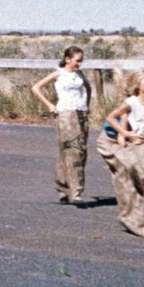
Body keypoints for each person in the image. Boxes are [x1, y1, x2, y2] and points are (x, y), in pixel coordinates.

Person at [96, 69, 144, 239]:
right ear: (138, 85)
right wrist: (126, 134)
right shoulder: (131, 103)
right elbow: (111, 118)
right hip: (139, 147)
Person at [31, 46, 91, 203]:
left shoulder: (79, 74)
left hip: (81, 113)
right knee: (72, 149)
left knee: (79, 150)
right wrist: (50, 106)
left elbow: (88, 88)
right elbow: (36, 88)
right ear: (67, 59)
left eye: (81, 61)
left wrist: (86, 104)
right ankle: (76, 191)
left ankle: (63, 187)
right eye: (77, 61)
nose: (79, 64)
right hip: (65, 114)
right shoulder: (58, 74)